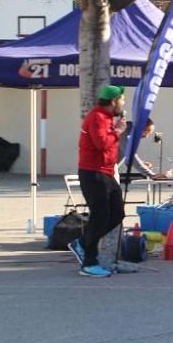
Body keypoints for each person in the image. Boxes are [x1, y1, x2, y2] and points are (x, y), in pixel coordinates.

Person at [71, 85, 127, 277]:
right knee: (100, 215)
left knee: (117, 213)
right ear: (113, 101)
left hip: (106, 173)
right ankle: (88, 262)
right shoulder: (97, 117)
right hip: (93, 173)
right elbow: (101, 143)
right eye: (122, 100)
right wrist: (118, 131)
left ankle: (83, 242)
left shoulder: (108, 118)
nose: (123, 103)